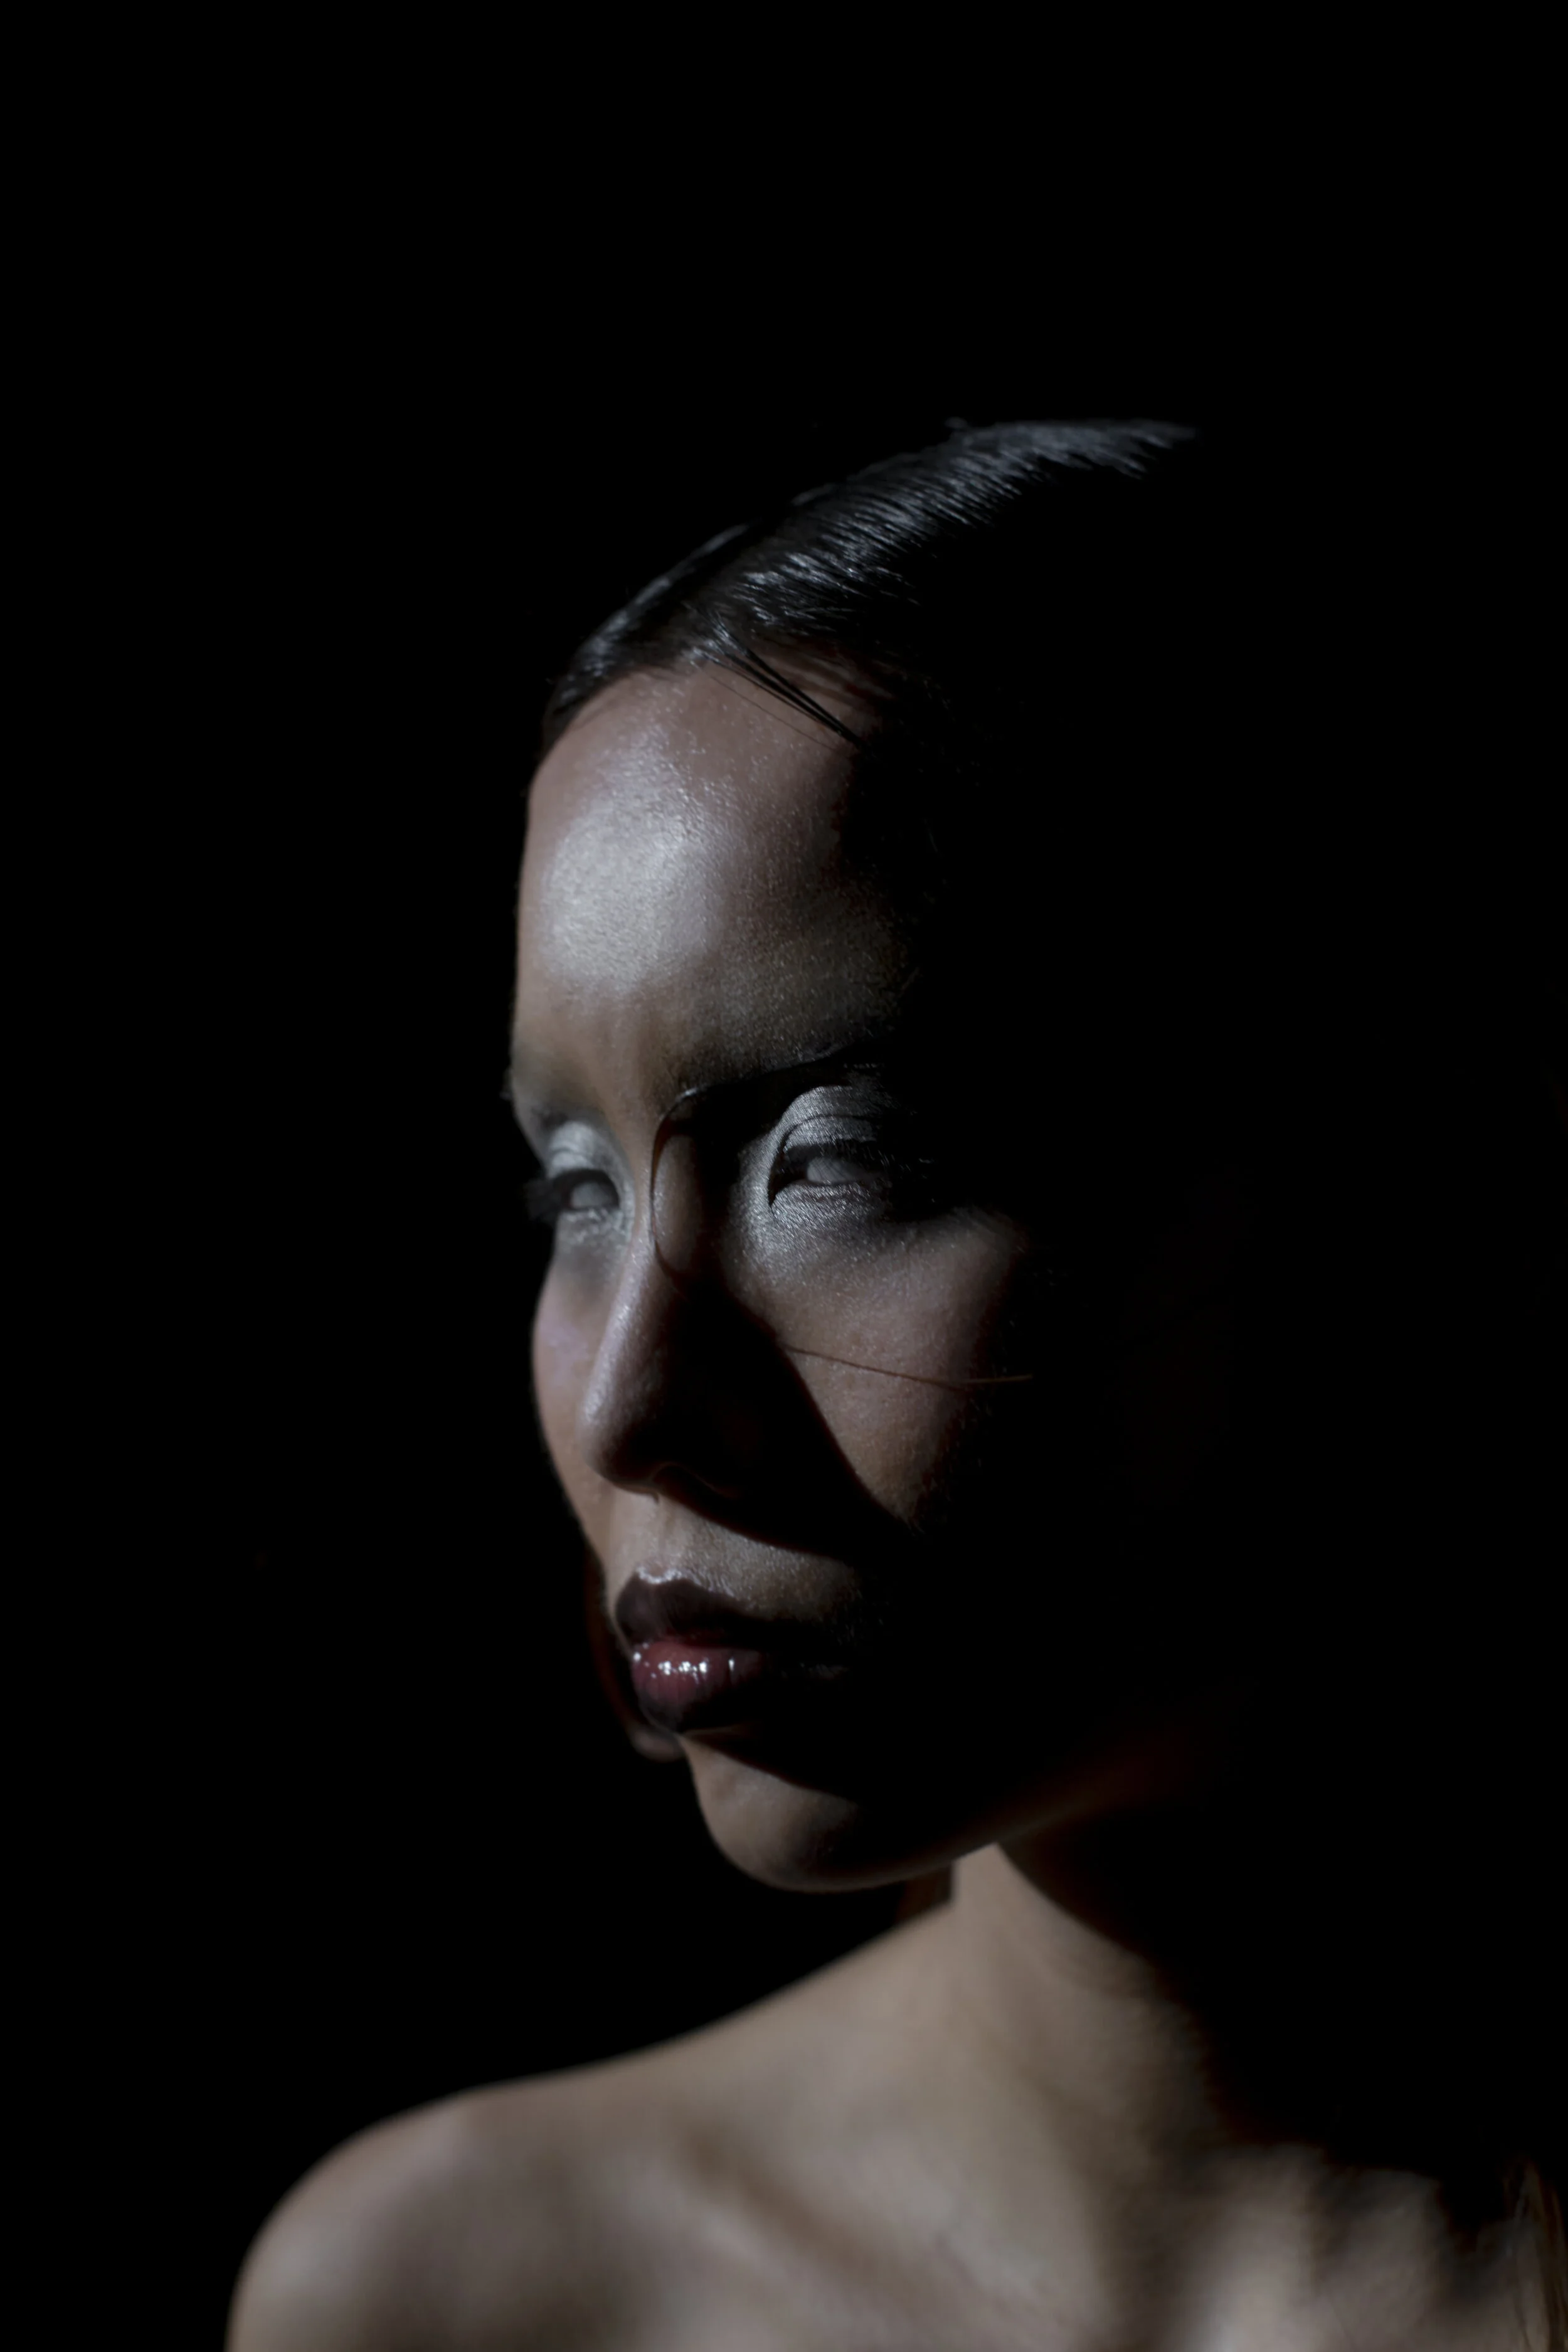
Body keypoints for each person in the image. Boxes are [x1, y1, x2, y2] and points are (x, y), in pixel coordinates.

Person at [229, 421, 1566, 2349]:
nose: (626, 1407)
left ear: (1405, 1201)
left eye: (838, 1158)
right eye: (574, 1188)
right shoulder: (457, 2296)